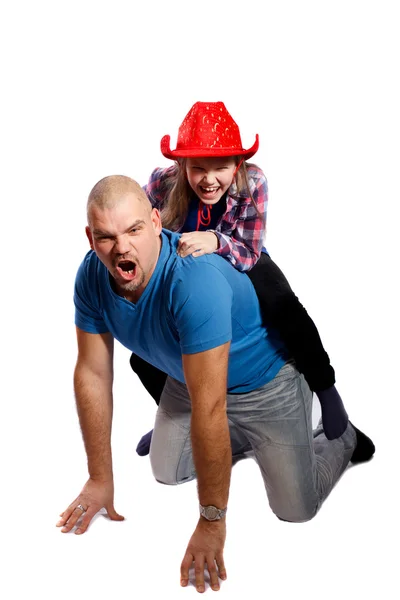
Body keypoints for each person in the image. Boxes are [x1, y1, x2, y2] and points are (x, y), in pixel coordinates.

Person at [57, 175, 374, 593]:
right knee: (166, 471)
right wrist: (100, 479)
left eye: (134, 229)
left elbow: (210, 408)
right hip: (189, 378)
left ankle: (342, 438)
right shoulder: (91, 276)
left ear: (155, 222)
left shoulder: (194, 281)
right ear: (90, 237)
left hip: (265, 382)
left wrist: (211, 520)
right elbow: (93, 373)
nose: (121, 248)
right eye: (106, 236)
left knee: (296, 509)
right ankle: (237, 442)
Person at [130, 101, 349, 457]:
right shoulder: (164, 182)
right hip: (185, 271)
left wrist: (215, 240)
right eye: (198, 168)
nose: (208, 179)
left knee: (281, 301)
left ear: (238, 165)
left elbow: (249, 252)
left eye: (220, 168)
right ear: (182, 165)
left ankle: (327, 392)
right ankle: (173, 418)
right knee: (144, 354)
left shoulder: (254, 182)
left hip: (238, 256)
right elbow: (134, 220)